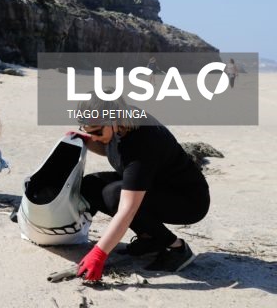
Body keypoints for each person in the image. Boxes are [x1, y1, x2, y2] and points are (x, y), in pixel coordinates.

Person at [74, 95, 210, 281]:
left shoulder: (141, 141)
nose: (93, 137)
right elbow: (108, 147)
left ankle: (176, 248)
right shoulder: (120, 120)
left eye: (96, 132)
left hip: (187, 199)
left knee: (115, 195)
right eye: (88, 131)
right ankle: (150, 239)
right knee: (92, 185)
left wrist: (99, 254)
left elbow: (128, 209)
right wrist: (82, 140)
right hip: (155, 186)